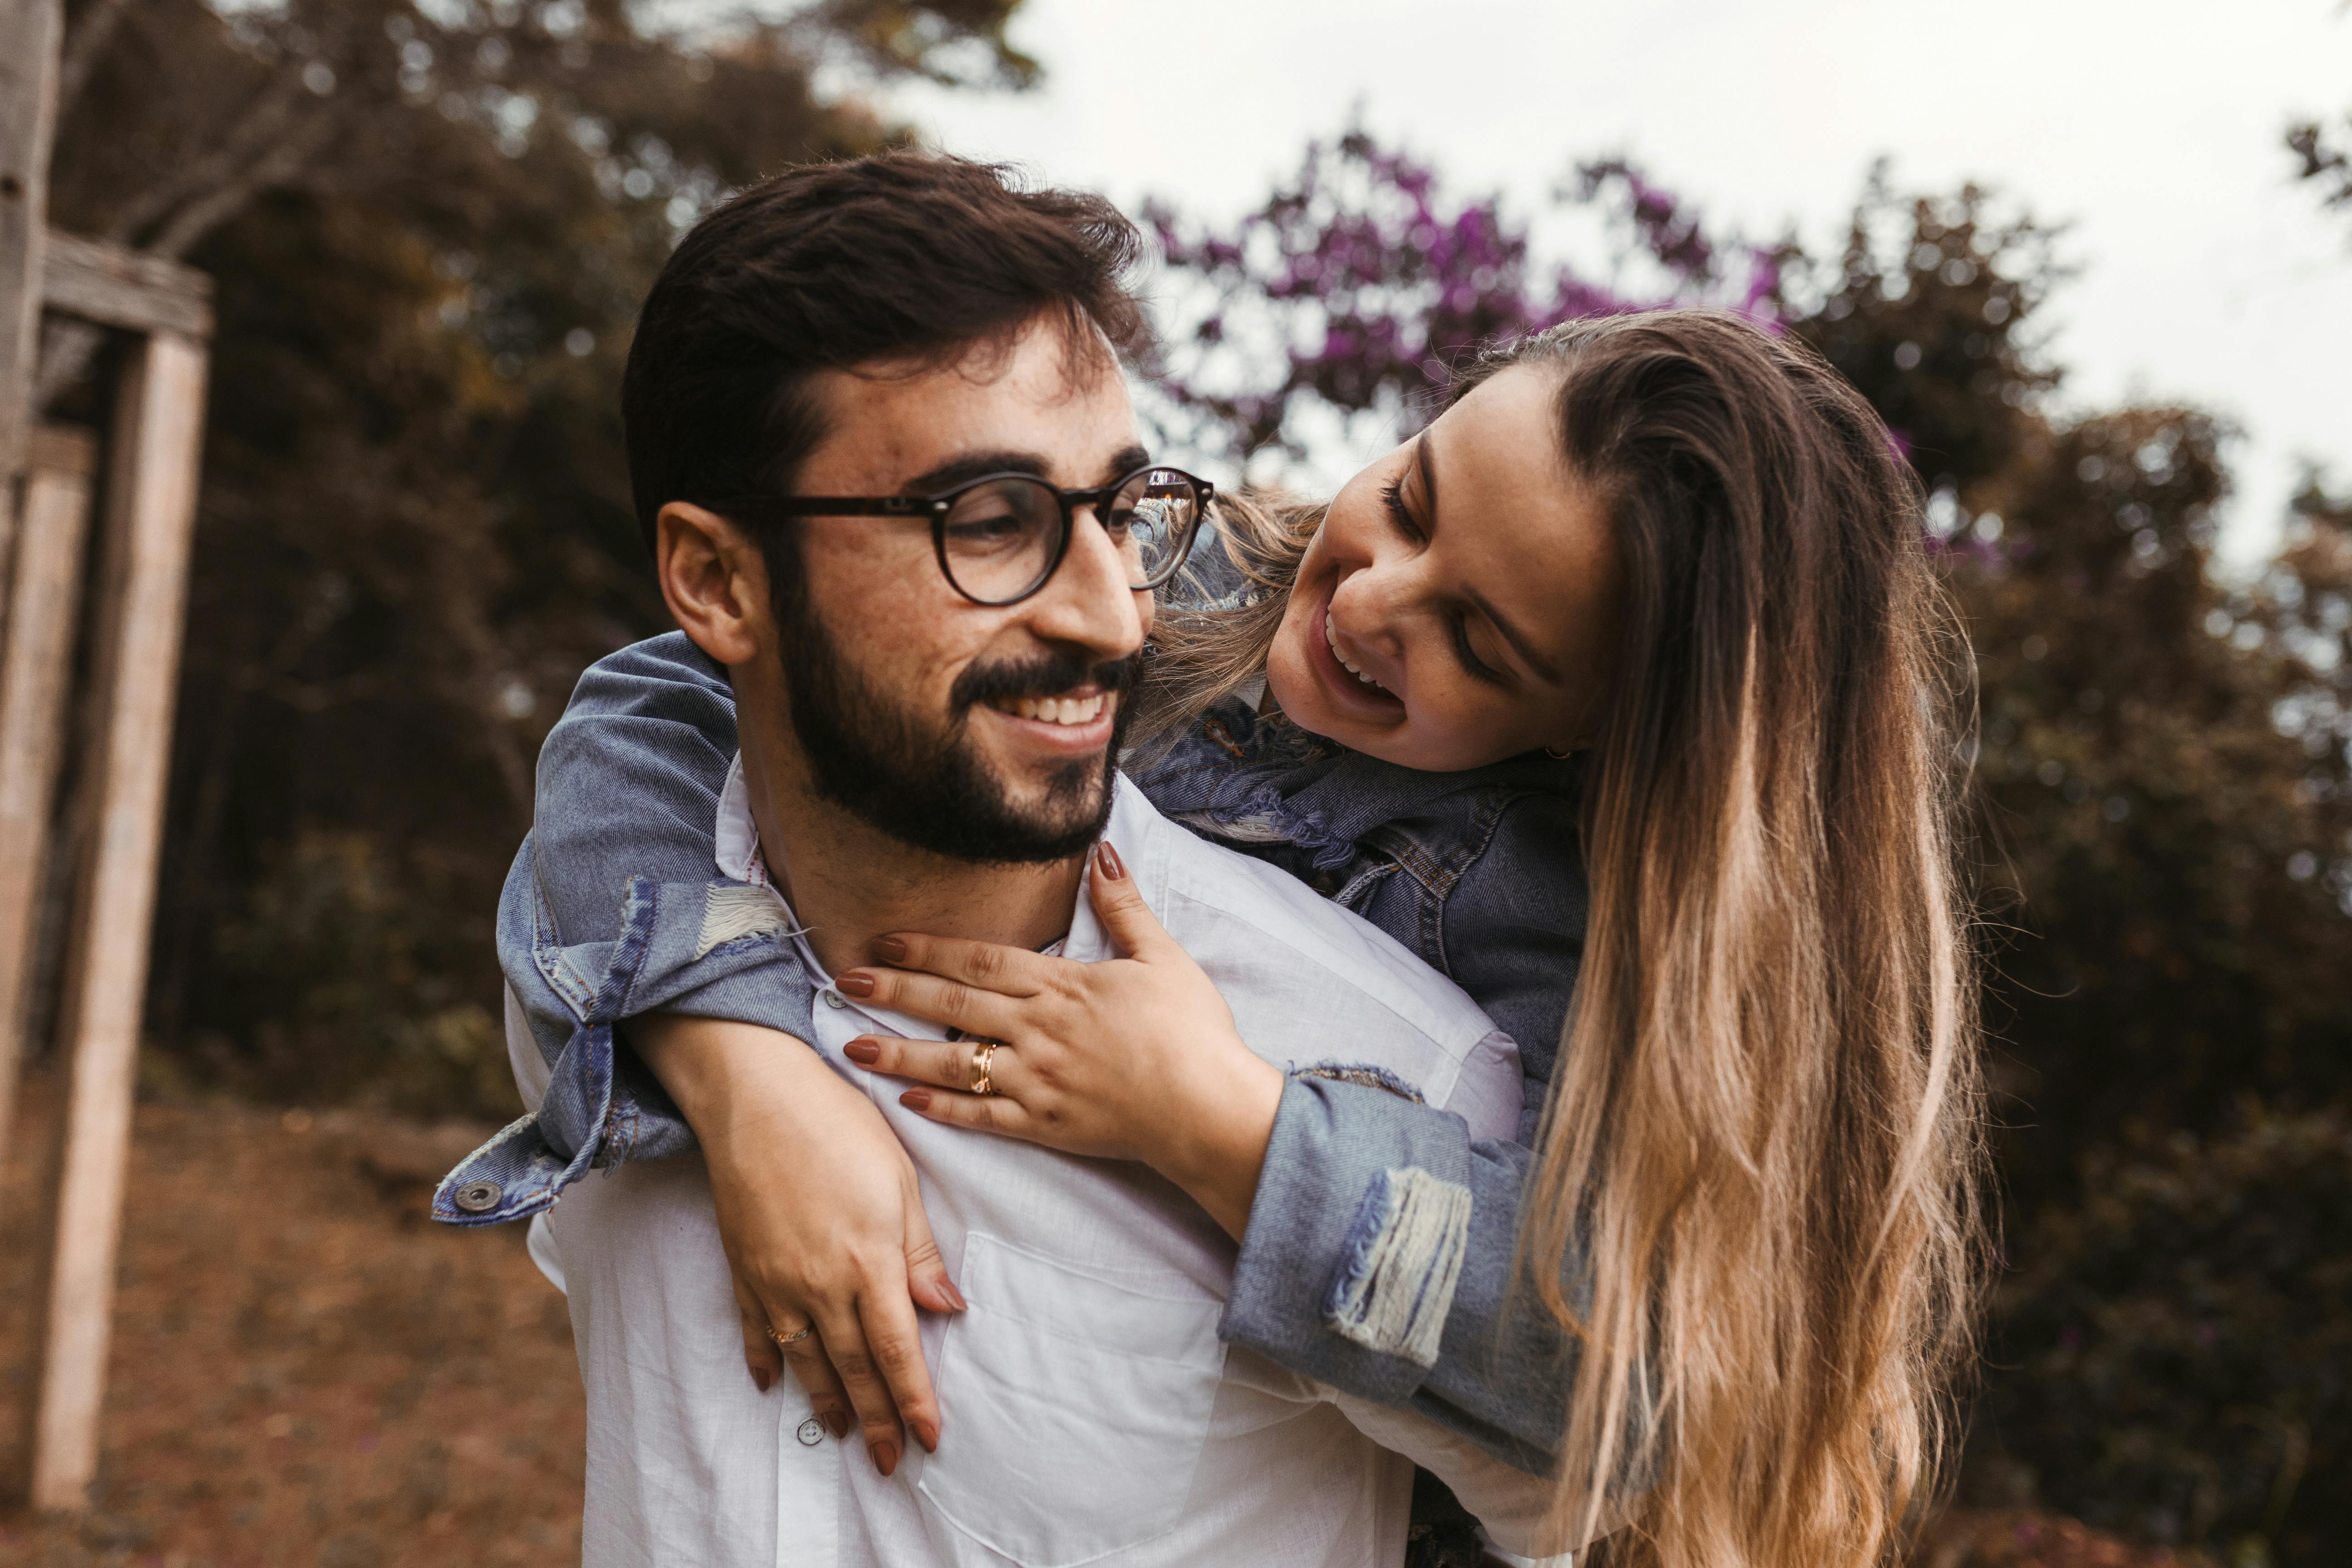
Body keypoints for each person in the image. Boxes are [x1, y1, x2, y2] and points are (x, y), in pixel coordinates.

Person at [448, 174, 1989, 1567]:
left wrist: (1230, 1129)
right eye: (1411, 502)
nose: (1379, 601)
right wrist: (739, 1061)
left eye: (1480, 642)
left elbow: (1647, 1395)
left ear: (1603, 738)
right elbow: (665, 698)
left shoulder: (1508, 994)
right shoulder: (1190, 579)